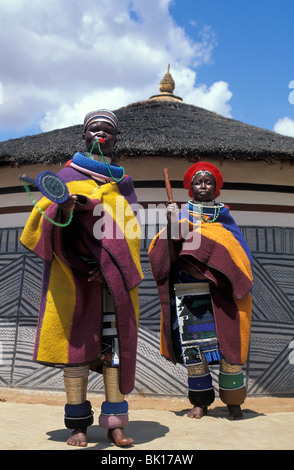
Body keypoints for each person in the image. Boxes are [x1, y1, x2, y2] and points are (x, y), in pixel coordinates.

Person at [20, 110, 143, 447]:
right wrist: (64, 208)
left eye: (107, 132)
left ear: (116, 141)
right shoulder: (67, 176)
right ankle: (78, 424)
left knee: (112, 351)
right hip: (73, 279)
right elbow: (38, 228)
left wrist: (112, 267)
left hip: (110, 284)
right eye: (94, 130)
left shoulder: (122, 185)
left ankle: (115, 423)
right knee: (75, 351)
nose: (100, 135)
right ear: (84, 137)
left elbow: (131, 234)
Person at [148, 162, 253, 420]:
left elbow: (237, 251)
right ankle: (200, 402)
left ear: (215, 188)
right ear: (190, 188)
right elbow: (165, 256)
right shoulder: (181, 215)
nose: (203, 186)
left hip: (222, 294)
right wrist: (173, 227)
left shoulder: (225, 218)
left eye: (208, 182)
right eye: (198, 182)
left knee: (230, 349)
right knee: (194, 350)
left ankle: (233, 402)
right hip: (190, 292)